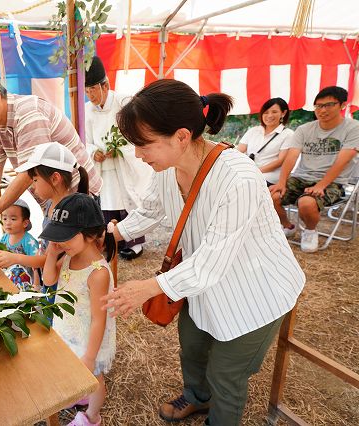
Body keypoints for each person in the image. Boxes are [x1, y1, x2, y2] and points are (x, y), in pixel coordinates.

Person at [100, 79, 305, 426]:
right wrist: (112, 234)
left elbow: (211, 263)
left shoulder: (238, 177)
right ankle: (197, 397)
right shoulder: (169, 168)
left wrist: (148, 287)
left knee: (227, 373)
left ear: (181, 136)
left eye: (144, 144)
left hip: (256, 292)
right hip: (201, 284)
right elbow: (151, 210)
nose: (137, 154)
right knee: (192, 348)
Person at [0, 69, 101, 238]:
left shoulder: (28, 114)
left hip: (79, 197)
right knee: (57, 257)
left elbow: (29, 174)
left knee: (79, 259)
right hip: (56, 202)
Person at [41, 192, 116, 426]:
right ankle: (80, 394)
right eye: (57, 237)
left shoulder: (98, 273)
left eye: (66, 237)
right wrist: (52, 254)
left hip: (89, 339)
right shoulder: (68, 256)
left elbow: (98, 319)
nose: (60, 242)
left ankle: (92, 416)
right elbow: (49, 280)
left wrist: (91, 356)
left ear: (91, 234)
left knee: (94, 378)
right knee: (76, 369)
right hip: (70, 332)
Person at [270, 86, 359, 252]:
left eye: (328, 105)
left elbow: (343, 161)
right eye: (318, 106)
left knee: (306, 203)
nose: (322, 110)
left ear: (342, 105)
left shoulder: (353, 128)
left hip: (334, 181)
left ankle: (310, 231)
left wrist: (321, 185)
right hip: (302, 177)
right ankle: (288, 226)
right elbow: (292, 156)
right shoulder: (305, 129)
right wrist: (281, 182)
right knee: (270, 195)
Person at [84, 56, 154, 260]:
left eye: (93, 90)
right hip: (104, 166)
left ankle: (135, 244)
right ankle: (114, 241)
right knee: (108, 204)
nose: (90, 95)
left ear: (105, 86)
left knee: (128, 202)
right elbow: (85, 140)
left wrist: (120, 148)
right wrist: (92, 151)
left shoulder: (124, 102)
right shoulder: (87, 110)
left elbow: (139, 131)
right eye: (87, 91)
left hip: (125, 163)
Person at [237, 97, 294, 186]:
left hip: (269, 176)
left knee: (245, 185)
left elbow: (280, 161)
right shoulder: (253, 130)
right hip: (248, 173)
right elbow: (238, 152)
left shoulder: (288, 134)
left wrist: (256, 171)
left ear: (283, 113)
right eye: (266, 112)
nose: (269, 116)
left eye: (274, 112)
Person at [0, 199, 40, 291]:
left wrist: (36, 286)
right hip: (10, 282)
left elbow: (36, 266)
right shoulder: (4, 238)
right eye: (4, 218)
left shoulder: (29, 241)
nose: (7, 222)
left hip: (26, 284)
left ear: (25, 223)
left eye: (13, 219)